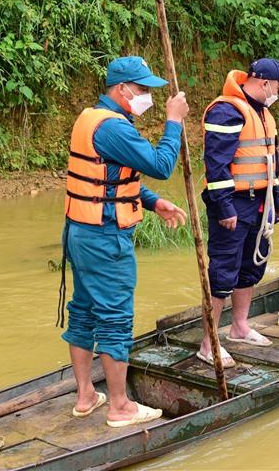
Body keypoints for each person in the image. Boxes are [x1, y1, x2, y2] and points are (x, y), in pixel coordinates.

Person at [59, 56, 189, 428]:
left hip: (80, 232)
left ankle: (86, 396)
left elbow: (110, 180)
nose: (147, 95)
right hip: (105, 238)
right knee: (116, 318)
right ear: (121, 90)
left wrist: (153, 202)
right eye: (143, 89)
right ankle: (120, 407)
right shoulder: (115, 128)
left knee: (84, 310)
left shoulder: (92, 118)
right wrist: (174, 120)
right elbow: (162, 165)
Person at [198, 58, 279, 368]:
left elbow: (270, 162)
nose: (278, 93)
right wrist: (225, 207)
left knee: (251, 266)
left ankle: (239, 327)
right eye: (278, 87)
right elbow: (216, 165)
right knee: (222, 273)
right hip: (234, 204)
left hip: (261, 202)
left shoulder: (264, 113)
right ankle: (208, 343)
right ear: (264, 82)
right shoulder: (226, 111)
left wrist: (278, 197)